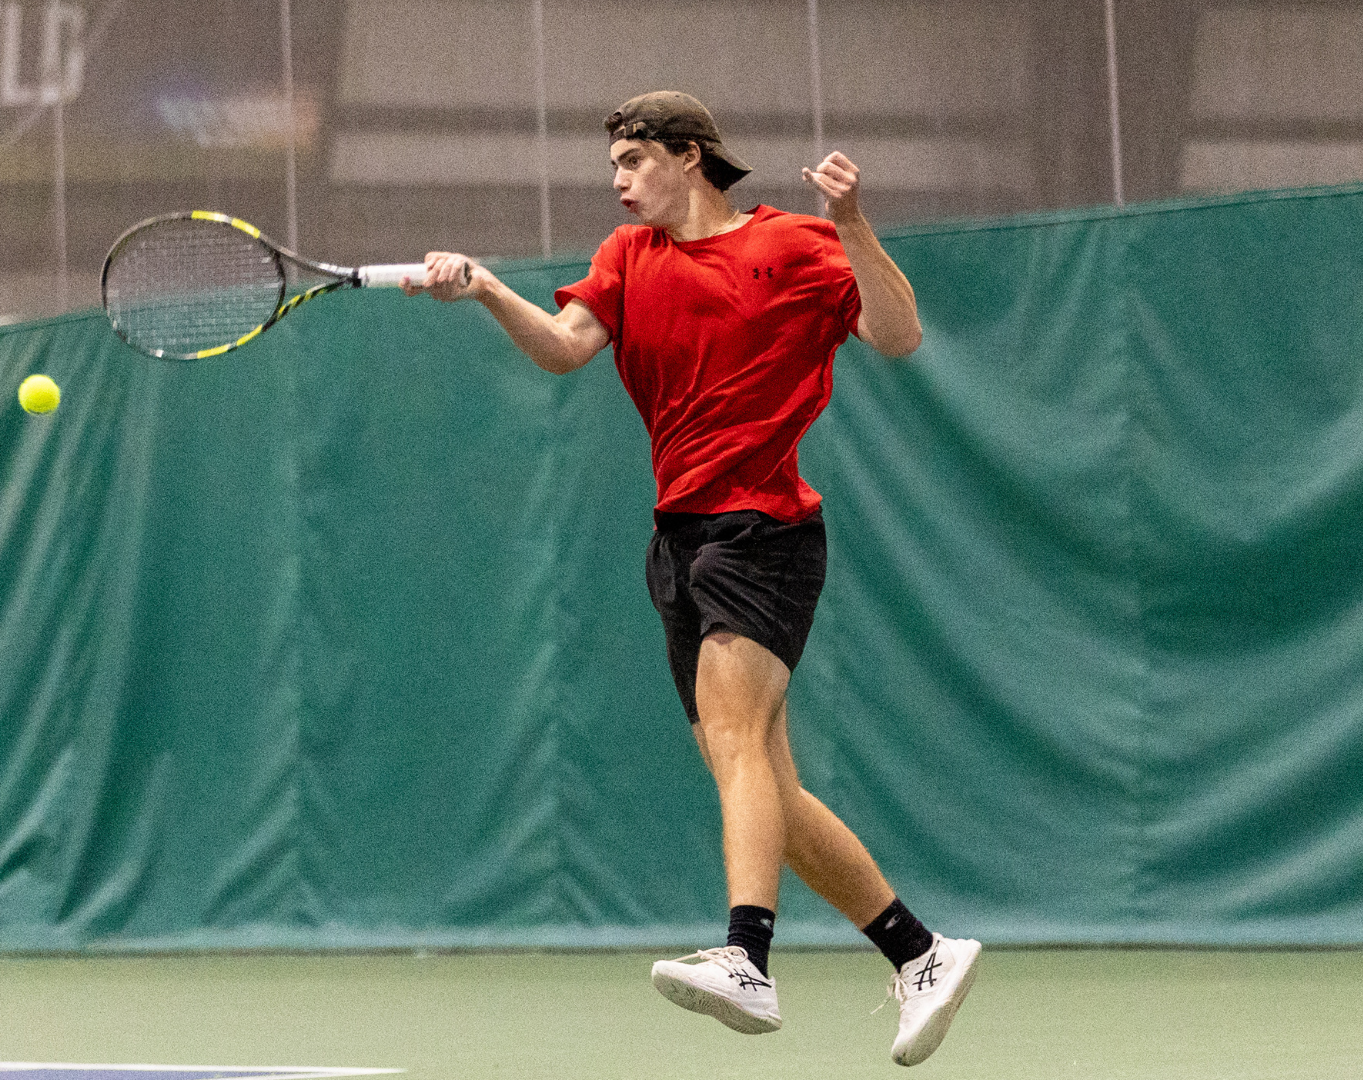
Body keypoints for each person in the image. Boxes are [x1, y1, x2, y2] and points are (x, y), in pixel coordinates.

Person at [408, 90, 980, 1067]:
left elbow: (897, 333)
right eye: (616, 170)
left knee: (735, 736)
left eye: (634, 163)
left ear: (689, 155)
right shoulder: (628, 260)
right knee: (757, 776)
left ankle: (748, 959)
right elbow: (566, 350)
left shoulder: (794, 247)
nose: (621, 184)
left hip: (764, 530)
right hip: (679, 538)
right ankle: (920, 953)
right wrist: (490, 292)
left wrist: (852, 224)